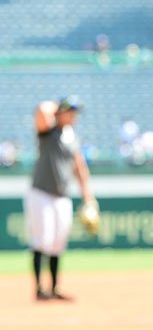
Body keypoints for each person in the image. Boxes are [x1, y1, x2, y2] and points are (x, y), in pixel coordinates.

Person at [24, 95, 95, 301]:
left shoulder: (71, 137)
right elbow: (41, 109)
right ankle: (39, 289)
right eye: (70, 111)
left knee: (57, 242)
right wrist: (58, 107)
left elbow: (79, 167)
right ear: (60, 112)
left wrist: (88, 197)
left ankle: (54, 288)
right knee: (42, 240)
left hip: (62, 195)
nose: (73, 116)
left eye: (74, 112)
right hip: (41, 192)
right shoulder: (48, 131)